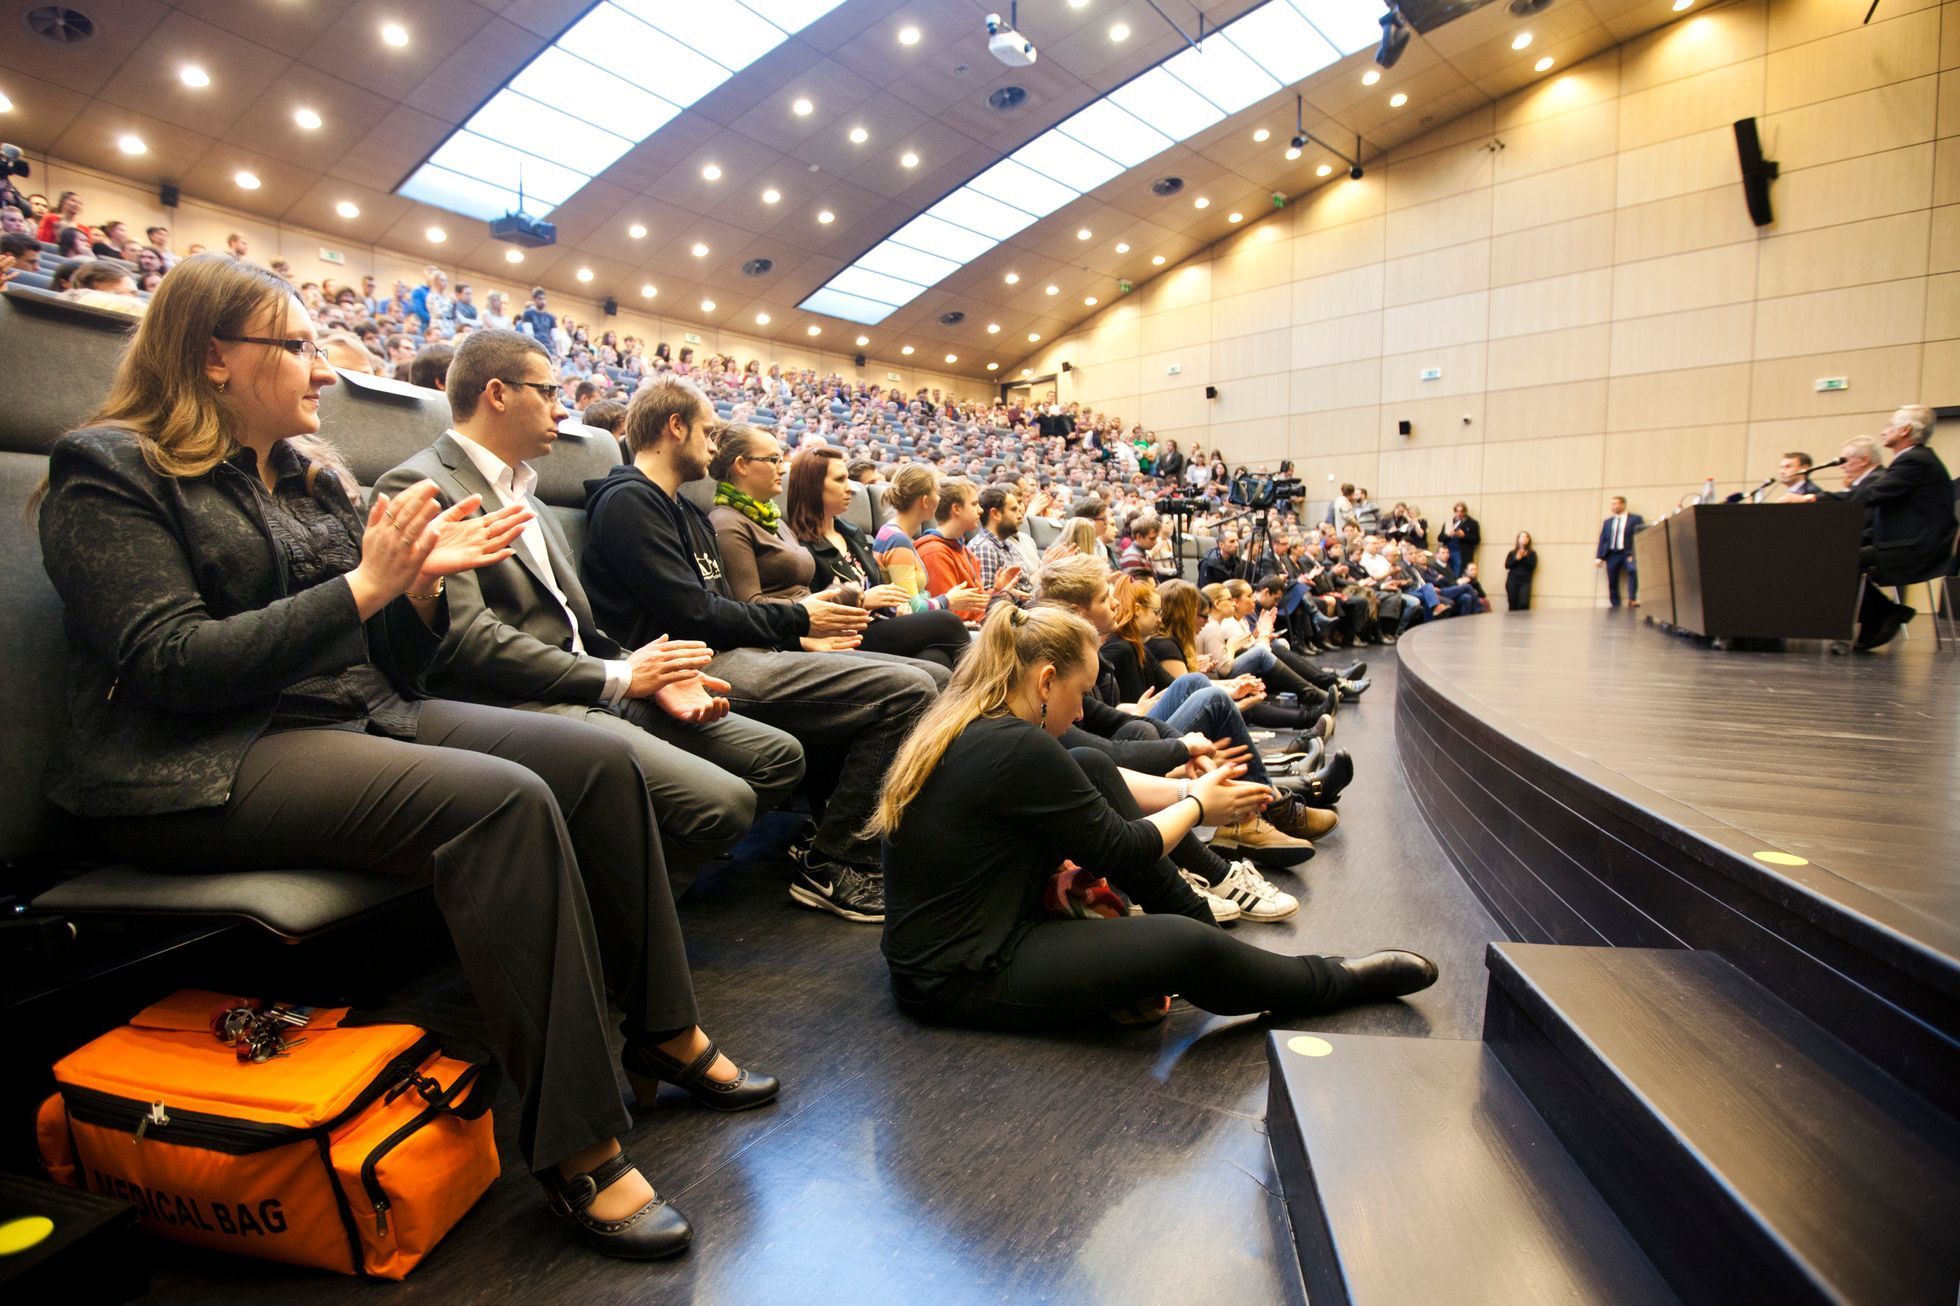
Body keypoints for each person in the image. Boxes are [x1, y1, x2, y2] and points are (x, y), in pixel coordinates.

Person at [35, 255, 774, 1261]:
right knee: (502, 804)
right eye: (293, 346)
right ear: (214, 357)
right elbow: (171, 664)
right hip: (199, 757)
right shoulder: (108, 469)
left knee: (598, 767)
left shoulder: (309, 471)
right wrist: (362, 590)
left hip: (352, 713)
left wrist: (415, 597)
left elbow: (392, 659)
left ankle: (660, 1030)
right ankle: (577, 1145)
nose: (321, 370)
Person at [873, 604, 1438, 1031]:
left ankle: (1213, 936)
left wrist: (1187, 789)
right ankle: (1331, 979)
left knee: (1091, 761)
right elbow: (1122, 852)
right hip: (960, 976)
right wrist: (1196, 805)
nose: (1081, 708)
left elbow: (1096, 789)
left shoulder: (974, 724)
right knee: (1182, 949)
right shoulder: (1014, 745)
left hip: (964, 943)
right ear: (1046, 681)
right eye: (1081, 692)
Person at [377, 330, 805, 888]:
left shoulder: (528, 493)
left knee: (778, 757)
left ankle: (613, 882)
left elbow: (579, 626)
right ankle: (611, 911)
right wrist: (621, 677)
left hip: (589, 681)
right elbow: (467, 640)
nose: (562, 407)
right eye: (548, 391)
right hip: (520, 700)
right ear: (497, 394)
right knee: (720, 804)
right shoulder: (423, 484)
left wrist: (647, 670)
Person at [581, 375, 938, 923]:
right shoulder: (630, 503)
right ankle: (835, 862)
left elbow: (724, 611)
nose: (715, 444)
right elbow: (692, 615)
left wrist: (800, 636)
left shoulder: (683, 510)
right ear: (674, 428)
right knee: (907, 691)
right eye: (708, 430)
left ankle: (834, 833)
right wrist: (798, 617)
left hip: (725, 654)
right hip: (687, 668)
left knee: (920, 675)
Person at [785, 445, 974, 671]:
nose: (850, 489)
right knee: (946, 621)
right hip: (849, 635)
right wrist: (864, 599)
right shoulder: (799, 546)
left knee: (936, 659)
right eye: (840, 480)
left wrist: (893, 605)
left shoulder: (852, 533)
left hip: (879, 624)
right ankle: (994, 690)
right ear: (813, 487)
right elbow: (808, 611)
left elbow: (879, 588)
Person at [1800, 410, 1958, 650]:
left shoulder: (1915, 460)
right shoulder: (1916, 459)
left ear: (1905, 431)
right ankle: (1884, 613)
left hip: (1916, 547)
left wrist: (1814, 498)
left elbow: (1870, 494)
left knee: (1836, 561)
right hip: (1910, 541)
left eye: (1889, 425)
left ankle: (1884, 614)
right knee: (1834, 557)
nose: (1883, 430)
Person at [1595, 495, 1643, 608]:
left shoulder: (1635, 519)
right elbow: (1603, 539)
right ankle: (1615, 604)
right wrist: (1599, 557)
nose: (1613, 506)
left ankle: (1632, 599)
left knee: (1633, 571)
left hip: (1628, 553)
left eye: (1615, 504)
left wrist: (1635, 554)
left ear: (1623, 504)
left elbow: (1639, 536)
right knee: (1612, 579)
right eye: (1612, 504)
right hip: (1612, 554)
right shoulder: (1608, 522)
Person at [1440, 502, 1480, 576]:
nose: (1459, 513)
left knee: (1457, 575)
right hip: (1447, 552)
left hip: (1461, 553)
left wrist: (1464, 536)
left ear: (1465, 512)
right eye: (1457, 511)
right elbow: (1440, 538)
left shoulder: (1472, 523)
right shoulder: (1449, 523)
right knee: (1446, 574)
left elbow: (1476, 540)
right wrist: (1448, 535)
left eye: (1461, 511)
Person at [1504, 531, 1537, 611]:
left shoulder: (1532, 553)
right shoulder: (1512, 553)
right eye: (1522, 537)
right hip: (1512, 581)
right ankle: (1512, 623)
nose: (1525, 538)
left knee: (1524, 604)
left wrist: (1524, 557)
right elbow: (1507, 565)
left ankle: (1523, 623)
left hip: (1525, 582)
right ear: (1518, 539)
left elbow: (1532, 567)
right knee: (1513, 604)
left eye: (1526, 537)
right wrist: (1516, 558)